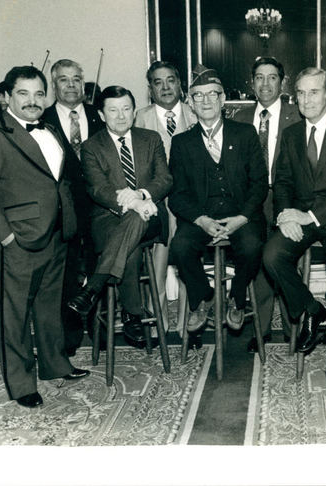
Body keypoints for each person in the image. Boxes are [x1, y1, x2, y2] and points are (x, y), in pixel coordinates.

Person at [0, 65, 89, 409]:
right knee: (14, 314)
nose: (32, 101)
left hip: (57, 234)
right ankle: (20, 384)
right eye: (23, 93)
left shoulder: (50, 128)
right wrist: (4, 237)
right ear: (6, 98)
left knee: (49, 307)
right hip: (17, 239)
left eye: (38, 93)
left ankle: (55, 364)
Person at [263, 67, 326, 412]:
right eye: (301, 94)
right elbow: (283, 182)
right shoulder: (291, 134)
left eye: (314, 92)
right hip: (301, 217)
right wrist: (284, 215)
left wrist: (311, 216)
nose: (307, 100)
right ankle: (310, 308)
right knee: (272, 254)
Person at [67, 86, 172, 346]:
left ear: (134, 112)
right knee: (131, 240)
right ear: (102, 115)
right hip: (108, 218)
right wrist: (134, 204)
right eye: (113, 110)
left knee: (137, 222)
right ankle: (132, 314)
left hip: (151, 216)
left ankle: (93, 287)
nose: (121, 116)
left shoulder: (151, 139)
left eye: (126, 109)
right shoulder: (91, 146)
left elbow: (165, 179)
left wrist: (141, 196)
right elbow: (97, 188)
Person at [168, 65, 268, 333]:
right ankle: (205, 296)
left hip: (241, 214)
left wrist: (242, 217)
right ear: (190, 103)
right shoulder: (182, 143)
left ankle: (237, 298)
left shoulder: (245, 133)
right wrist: (200, 220)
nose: (206, 101)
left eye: (212, 94)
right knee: (179, 247)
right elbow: (177, 196)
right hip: (201, 215)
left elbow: (260, 183)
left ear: (223, 99)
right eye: (198, 96)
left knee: (251, 245)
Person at [232, 56, 297, 351]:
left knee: (284, 258)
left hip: (286, 198)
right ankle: (261, 328)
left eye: (272, 77)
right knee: (257, 260)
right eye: (260, 77)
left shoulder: (297, 116)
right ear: (252, 82)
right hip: (251, 201)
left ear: (282, 82)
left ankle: (293, 327)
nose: (266, 83)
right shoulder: (238, 119)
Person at [42, 59, 106, 355]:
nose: (71, 85)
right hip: (60, 214)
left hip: (100, 209)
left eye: (76, 79)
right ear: (53, 85)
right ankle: (68, 337)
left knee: (100, 269)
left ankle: (101, 333)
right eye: (63, 80)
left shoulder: (101, 116)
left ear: (84, 83)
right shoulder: (41, 120)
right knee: (65, 275)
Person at [135, 61, 197, 335]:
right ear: (151, 89)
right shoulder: (139, 117)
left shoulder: (195, 115)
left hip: (190, 202)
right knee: (157, 266)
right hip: (156, 203)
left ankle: (187, 325)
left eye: (170, 80)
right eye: (158, 82)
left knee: (187, 258)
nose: (165, 87)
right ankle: (157, 324)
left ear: (179, 83)